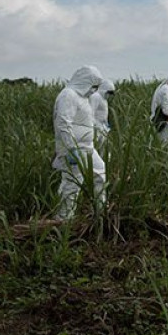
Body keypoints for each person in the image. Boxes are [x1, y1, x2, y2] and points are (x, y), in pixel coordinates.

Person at [53, 65, 107, 221]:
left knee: (100, 173)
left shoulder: (83, 98)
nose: (94, 91)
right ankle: (64, 218)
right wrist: (71, 148)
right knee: (71, 183)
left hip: (87, 148)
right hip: (75, 148)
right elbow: (63, 123)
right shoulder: (68, 95)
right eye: (93, 86)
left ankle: (101, 211)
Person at [91, 78, 115, 149]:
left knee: (104, 148)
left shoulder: (104, 99)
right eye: (109, 92)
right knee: (96, 147)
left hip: (103, 127)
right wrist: (95, 126)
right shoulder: (96, 97)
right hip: (96, 127)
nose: (109, 95)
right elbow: (90, 113)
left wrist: (107, 124)